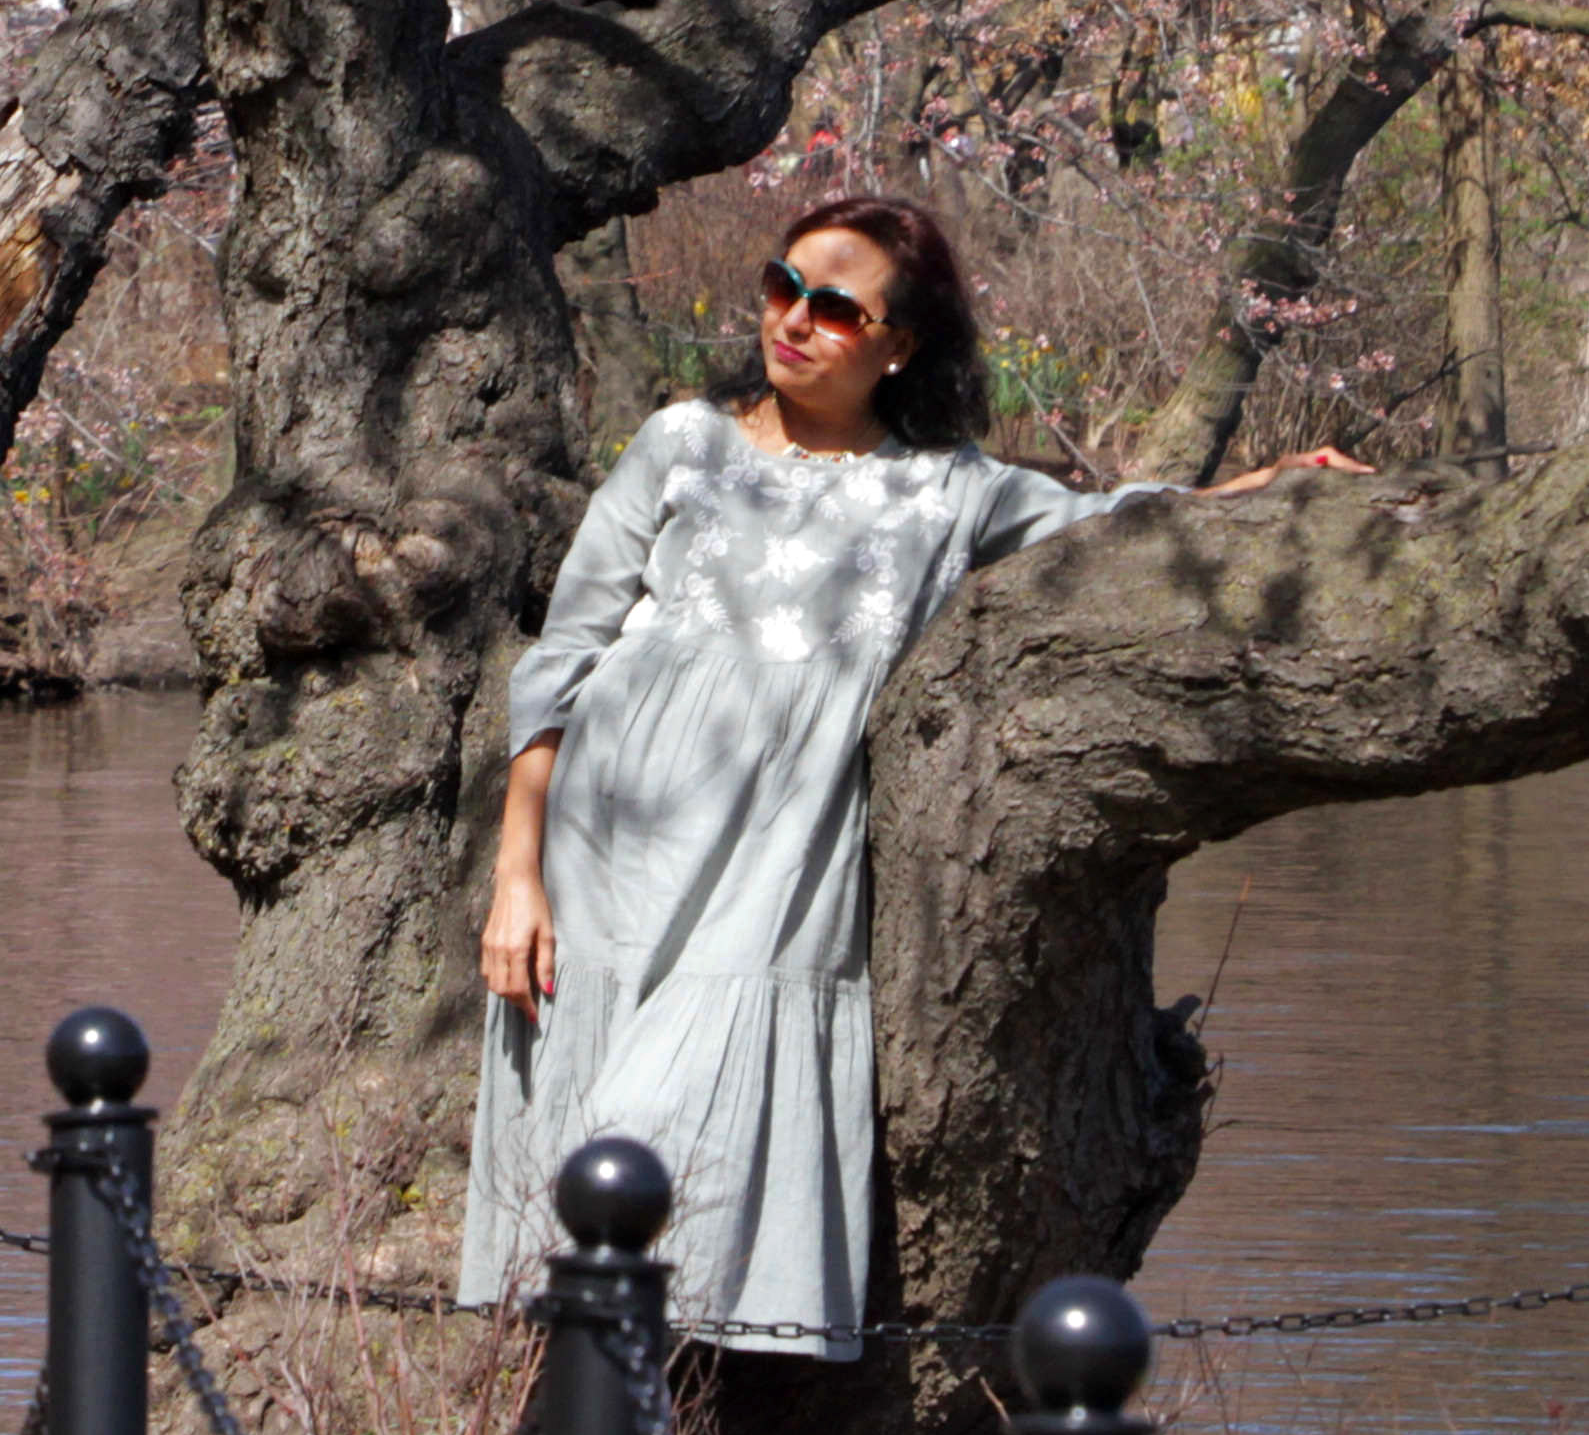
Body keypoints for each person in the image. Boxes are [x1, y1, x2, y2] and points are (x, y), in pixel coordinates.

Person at [461, 194, 1367, 1341]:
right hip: (606, 850)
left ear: (898, 344)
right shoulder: (678, 444)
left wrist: (1270, 489)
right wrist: (516, 874)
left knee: (677, 1140)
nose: (791, 321)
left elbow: (1117, 526)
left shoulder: (950, 493)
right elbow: (561, 658)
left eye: (834, 307)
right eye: (781, 288)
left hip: (775, 870)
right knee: (584, 1176)